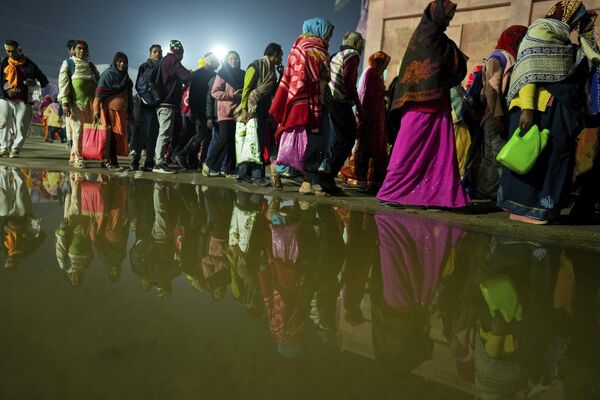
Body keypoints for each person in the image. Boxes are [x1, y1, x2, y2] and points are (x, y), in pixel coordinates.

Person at [498, 0, 593, 224]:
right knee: (531, 159)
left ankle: (540, 209)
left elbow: (593, 60)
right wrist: (528, 109)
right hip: (535, 111)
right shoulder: (539, 32)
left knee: (550, 160)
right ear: (568, 17)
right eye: (577, 21)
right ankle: (526, 209)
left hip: (554, 112)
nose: (576, 26)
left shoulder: (564, 43)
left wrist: (587, 35)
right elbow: (529, 73)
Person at [377, 0, 469, 209]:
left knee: (438, 149)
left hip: (434, 103)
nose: (448, 20)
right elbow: (451, 65)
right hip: (420, 105)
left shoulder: (430, 39)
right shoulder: (428, 40)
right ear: (437, 16)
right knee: (408, 146)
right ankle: (391, 190)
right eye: (447, 16)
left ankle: (435, 195)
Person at [269, 17, 334, 195]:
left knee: (322, 138)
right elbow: (299, 76)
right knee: (305, 142)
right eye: (327, 31)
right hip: (304, 99)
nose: (329, 36)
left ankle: (310, 180)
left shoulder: (322, 49)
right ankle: (281, 170)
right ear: (318, 29)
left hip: (322, 100)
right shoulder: (303, 47)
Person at [464, 25, 528, 201]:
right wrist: (498, 114)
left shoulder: (509, 57)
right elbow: (493, 90)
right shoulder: (498, 57)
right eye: (521, 38)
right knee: (494, 155)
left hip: (499, 114)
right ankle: (488, 193)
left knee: (491, 154)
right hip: (493, 115)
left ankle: (485, 190)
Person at [338, 51, 391, 192]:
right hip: (371, 116)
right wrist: (365, 114)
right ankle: (358, 177)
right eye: (384, 65)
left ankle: (369, 180)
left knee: (375, 147)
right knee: (366, 146)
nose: (385, 68)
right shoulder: (371, 73)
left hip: (377, 117)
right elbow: (366, 94)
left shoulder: (376, 75)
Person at [236, 43, 284, 186]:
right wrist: (244, 109)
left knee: (255, 143)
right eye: (280, 55)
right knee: (255, 143)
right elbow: (246, 88)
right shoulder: (256, 65)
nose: (281, 58)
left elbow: (273, 91)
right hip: (252, 109)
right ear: (275, 54)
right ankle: (257, 177)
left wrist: (281, 75)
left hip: (263, 111)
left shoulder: (271, 70)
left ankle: (243, 174)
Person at [325, 31, 365, 192]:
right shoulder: (352, 54)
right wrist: (359, 106)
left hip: (330, 101)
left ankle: (326, 176)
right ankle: (328, 179)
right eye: (361, 43)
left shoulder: (336, 54)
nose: (362, 47)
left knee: (336, 140)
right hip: (341, 102)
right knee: (348, 139)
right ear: (355, 43)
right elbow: (350, 82)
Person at [0, 40, 49, 158]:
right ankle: (3, 148)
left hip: (23, 100)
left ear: (19, 50)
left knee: (22, 125)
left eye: (13, 51)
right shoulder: (4, 62)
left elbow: (44, 81)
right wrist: (6, 90)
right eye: (8, 51)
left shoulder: (30, 64)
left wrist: (33, 82)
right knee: (3, 122)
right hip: (5, 98)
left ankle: (16, 148)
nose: (10, 54)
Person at [174, 52, 220, 170]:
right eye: (215, 62)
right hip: (199, 111)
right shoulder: (200, 74)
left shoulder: (211, 74)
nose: (217, 64)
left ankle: (195, 161)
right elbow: (194, 94)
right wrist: (194, 110)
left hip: (204, 110)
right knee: (201, 134)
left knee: (204, 136)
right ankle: (182, 154)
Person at [203, 51, 245, 178]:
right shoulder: (222, 74)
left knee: (233, 142)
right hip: (225, 113)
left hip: (238, 113)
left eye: (236, 58)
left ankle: (229, 169)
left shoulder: (243, 74)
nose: (234, 61)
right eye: (230, 59)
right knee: (224, 139)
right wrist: (232, 95)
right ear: (227, 61)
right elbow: (214, 92)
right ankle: (209, 165)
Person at [58, 40, 99, 169]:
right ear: (74, 50)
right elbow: (63, 83)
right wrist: (65, 103)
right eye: (79, 48)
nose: (82, 51)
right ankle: (79, 158)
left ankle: (73, 156)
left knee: (84, 131)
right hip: (74, 104)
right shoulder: (68, 63)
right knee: (78, 130)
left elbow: (98, 82)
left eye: (84, 49)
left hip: (89, 104)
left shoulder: (91, 66)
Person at [153, 40, 192, 174]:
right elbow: (185, 75)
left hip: (163, 102)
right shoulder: (173, 59)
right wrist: (194, 73)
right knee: (164, 133)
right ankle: (158, 163)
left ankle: (160, 160)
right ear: (179, 52)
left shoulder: (165, 60)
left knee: (165, 132)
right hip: (167, 103)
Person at [93, 52, 133, 171]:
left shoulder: (126, 78)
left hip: (121, 112)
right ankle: (110, 162)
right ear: (115, 62)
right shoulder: (108, 75)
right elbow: (99, 93)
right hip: (109, 111)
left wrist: (130, 110)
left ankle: (108, 161)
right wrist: (96, 110)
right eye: (119, 61)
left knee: (117, 137)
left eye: (125, 62)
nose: (122, 64)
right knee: (110, 137)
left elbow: (129, 96)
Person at [130, 44, 162, 171]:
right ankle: (136, 160)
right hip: (146, 106)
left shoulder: (162, 67)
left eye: (159, 52)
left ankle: (149, 162)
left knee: (154, 135)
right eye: (155, 52)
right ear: (150, 54)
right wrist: (149, 99)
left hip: (157, 106)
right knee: (143, 134)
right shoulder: (144, 66)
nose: (157, 54)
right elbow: (139, 85)